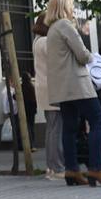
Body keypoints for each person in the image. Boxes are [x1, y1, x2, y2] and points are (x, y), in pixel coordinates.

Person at [44, 0, 101, 187]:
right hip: (77, 84)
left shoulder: (51, 29)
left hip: (62, 87)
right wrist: (93, 58)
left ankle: (72, 170)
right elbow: (82, 55)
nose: (73, 8)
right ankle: (96, 168)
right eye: (71, 5)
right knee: (98, 119)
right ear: (64, 8)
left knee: (69, 128)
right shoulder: (65, 26)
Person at [32, 14, 65, 179]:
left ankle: (51, 168)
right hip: (53, 89)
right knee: (56, 130)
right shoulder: (46, 42)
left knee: (51, 129)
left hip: (44, 89)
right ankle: (57, 168)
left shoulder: (37, 41)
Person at [2, 79, 22, 150]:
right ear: (9, 82)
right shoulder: (6, 91)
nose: (14, 83)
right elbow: (5, 102)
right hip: (12, 112)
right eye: (12, 82)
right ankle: (17, 145)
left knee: (17, 128)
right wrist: (6, 111)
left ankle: (19, 144)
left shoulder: (12, 90)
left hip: (15, 111)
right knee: (15, 128)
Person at [21, 72, 37, 149]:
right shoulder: (31, 87)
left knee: (26, 127)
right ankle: (32, 145)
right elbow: (35, 99)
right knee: (31, 127)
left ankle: (26, 144)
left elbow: (15, 96)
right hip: (31, 110)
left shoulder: (21, 87)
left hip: (24, 109)